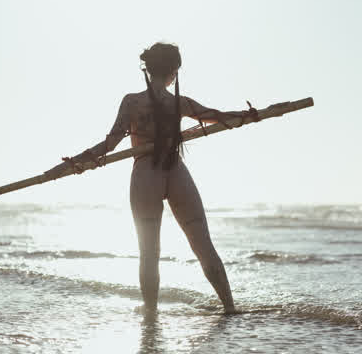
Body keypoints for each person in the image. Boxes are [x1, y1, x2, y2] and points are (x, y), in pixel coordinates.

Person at [62, 42, 259, 314]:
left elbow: (109, 144)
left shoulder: (132, 102)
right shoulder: (179, 103)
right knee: (203, 245)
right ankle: (230, 307)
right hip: (176, 171)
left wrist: (80, 160)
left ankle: (151, 311)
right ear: (174, 71)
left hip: (146, 173)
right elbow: (219, 117)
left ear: (148, 68)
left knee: (149, 251)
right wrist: (249, 116)